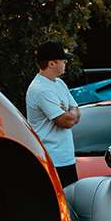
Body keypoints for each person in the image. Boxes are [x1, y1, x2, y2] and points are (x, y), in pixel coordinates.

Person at [26, 41, 81, 187]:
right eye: (63, 60)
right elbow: (66, 122)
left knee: (69, 204)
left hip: (66, 159)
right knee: (59, 207)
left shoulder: (59, 83)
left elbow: (77, 111)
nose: (66, 63)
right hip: (51, 160)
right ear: (52, 63)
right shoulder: (40, 89)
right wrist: (67, 113)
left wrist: (68, 112)